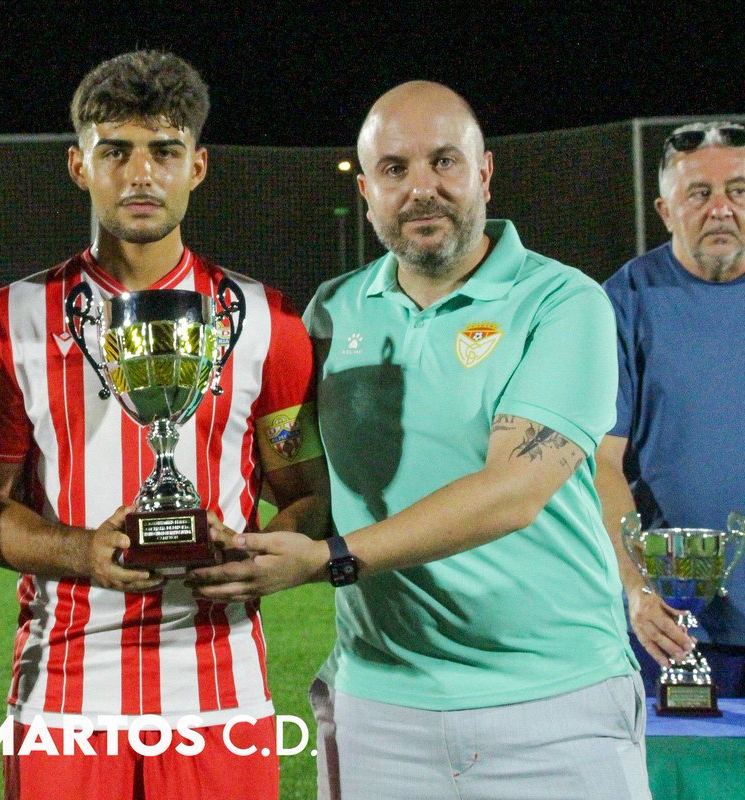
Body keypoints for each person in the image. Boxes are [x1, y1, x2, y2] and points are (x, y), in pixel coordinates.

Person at [190, 81, 649, 799]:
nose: (422, 189)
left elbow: (513, 492)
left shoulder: (564, 303)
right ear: (367, 187)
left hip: (553, 703)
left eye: (445, 162)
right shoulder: (331, 311)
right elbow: (305, 473)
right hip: (381, 704)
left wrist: (325, 562)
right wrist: (236, 535)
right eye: (396, 170)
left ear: (485, 173)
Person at [0, 50, 325, 800]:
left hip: (220, 695)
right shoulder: (12, 320)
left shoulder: (268, 322)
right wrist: (82, 551)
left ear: (198, 166)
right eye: (115, 152)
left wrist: (254, 554)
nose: (141, 173)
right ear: (79, 167)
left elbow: (310, 496)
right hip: (65, 696)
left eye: (164, 150)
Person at [596, 121, 745, 695]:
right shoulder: (624, 301)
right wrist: (634, 587)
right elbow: (600, 462)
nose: (721, 210)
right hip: (674, 627)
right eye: (699, 194)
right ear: (664, 210)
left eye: (738, 190)